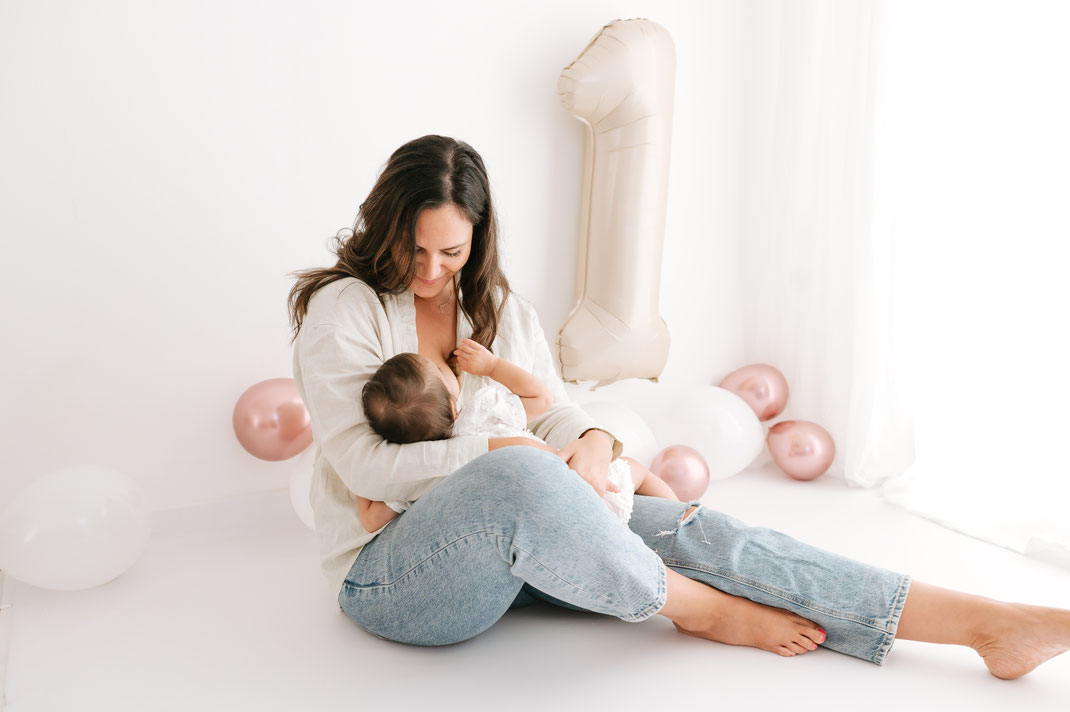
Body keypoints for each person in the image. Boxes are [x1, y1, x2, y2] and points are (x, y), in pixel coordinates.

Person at [287, 134, 1070, 677]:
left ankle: (985, 624)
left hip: (518, 548)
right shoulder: (344, 310)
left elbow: (553, 412)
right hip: (396, 579)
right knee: (522, 481)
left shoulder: (498, 312)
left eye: (450, 253)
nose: (429, 271)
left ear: (477, 240)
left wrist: (594, 440)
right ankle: (696, 610)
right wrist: (507, 455)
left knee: (704, 532)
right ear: (384, 224)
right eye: (413, 249)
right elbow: (363, 460)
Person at [354, 340, 679, 532]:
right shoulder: (482, 412)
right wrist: (493, 366)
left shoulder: (419, 477)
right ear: (454, 408)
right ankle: (682, 514)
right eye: (440, 372)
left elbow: (369, 519)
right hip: (588, 483)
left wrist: (370, 445)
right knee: (636, 469)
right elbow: (542, 398)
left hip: (553, 519)